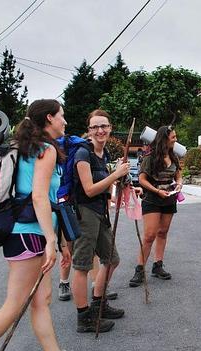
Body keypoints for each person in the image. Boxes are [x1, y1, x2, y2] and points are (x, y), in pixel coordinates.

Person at [0, 99, 72, 351]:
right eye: (61, 116)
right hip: (30, 235)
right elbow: (40, 198)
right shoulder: (45, 149)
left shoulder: (22, 148)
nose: (64, 121)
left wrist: (60, 243)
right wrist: (50, 240)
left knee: (41, 300)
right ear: (49, 119)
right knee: (13, 306)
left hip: (23, 234)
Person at [71, 109, 130, 333]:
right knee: (82, 266)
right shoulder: (82, 153)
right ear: (89, 130)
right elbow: (88, 189)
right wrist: (115, 174)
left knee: (111, 259)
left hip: (100, 212)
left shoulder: (102, 154)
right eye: (95, 127)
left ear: (110, 128)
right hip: (84, 212)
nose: (100, 130)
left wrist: (120, 186)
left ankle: (99, 304)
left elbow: (104, 186)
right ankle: (83, 317)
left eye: (103, 126)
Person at [129, 125, 182, 286]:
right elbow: (142, 179)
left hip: (169, 198)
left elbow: (178, 175)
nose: (176, 139)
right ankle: (139, 269)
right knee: (149, 235)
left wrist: (179, 184)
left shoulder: (174, 157)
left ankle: (157, 265)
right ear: (165, 139)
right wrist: (156, 191)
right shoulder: (150, 157)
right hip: (152, 198)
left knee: (163, 232)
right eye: (173, 137)